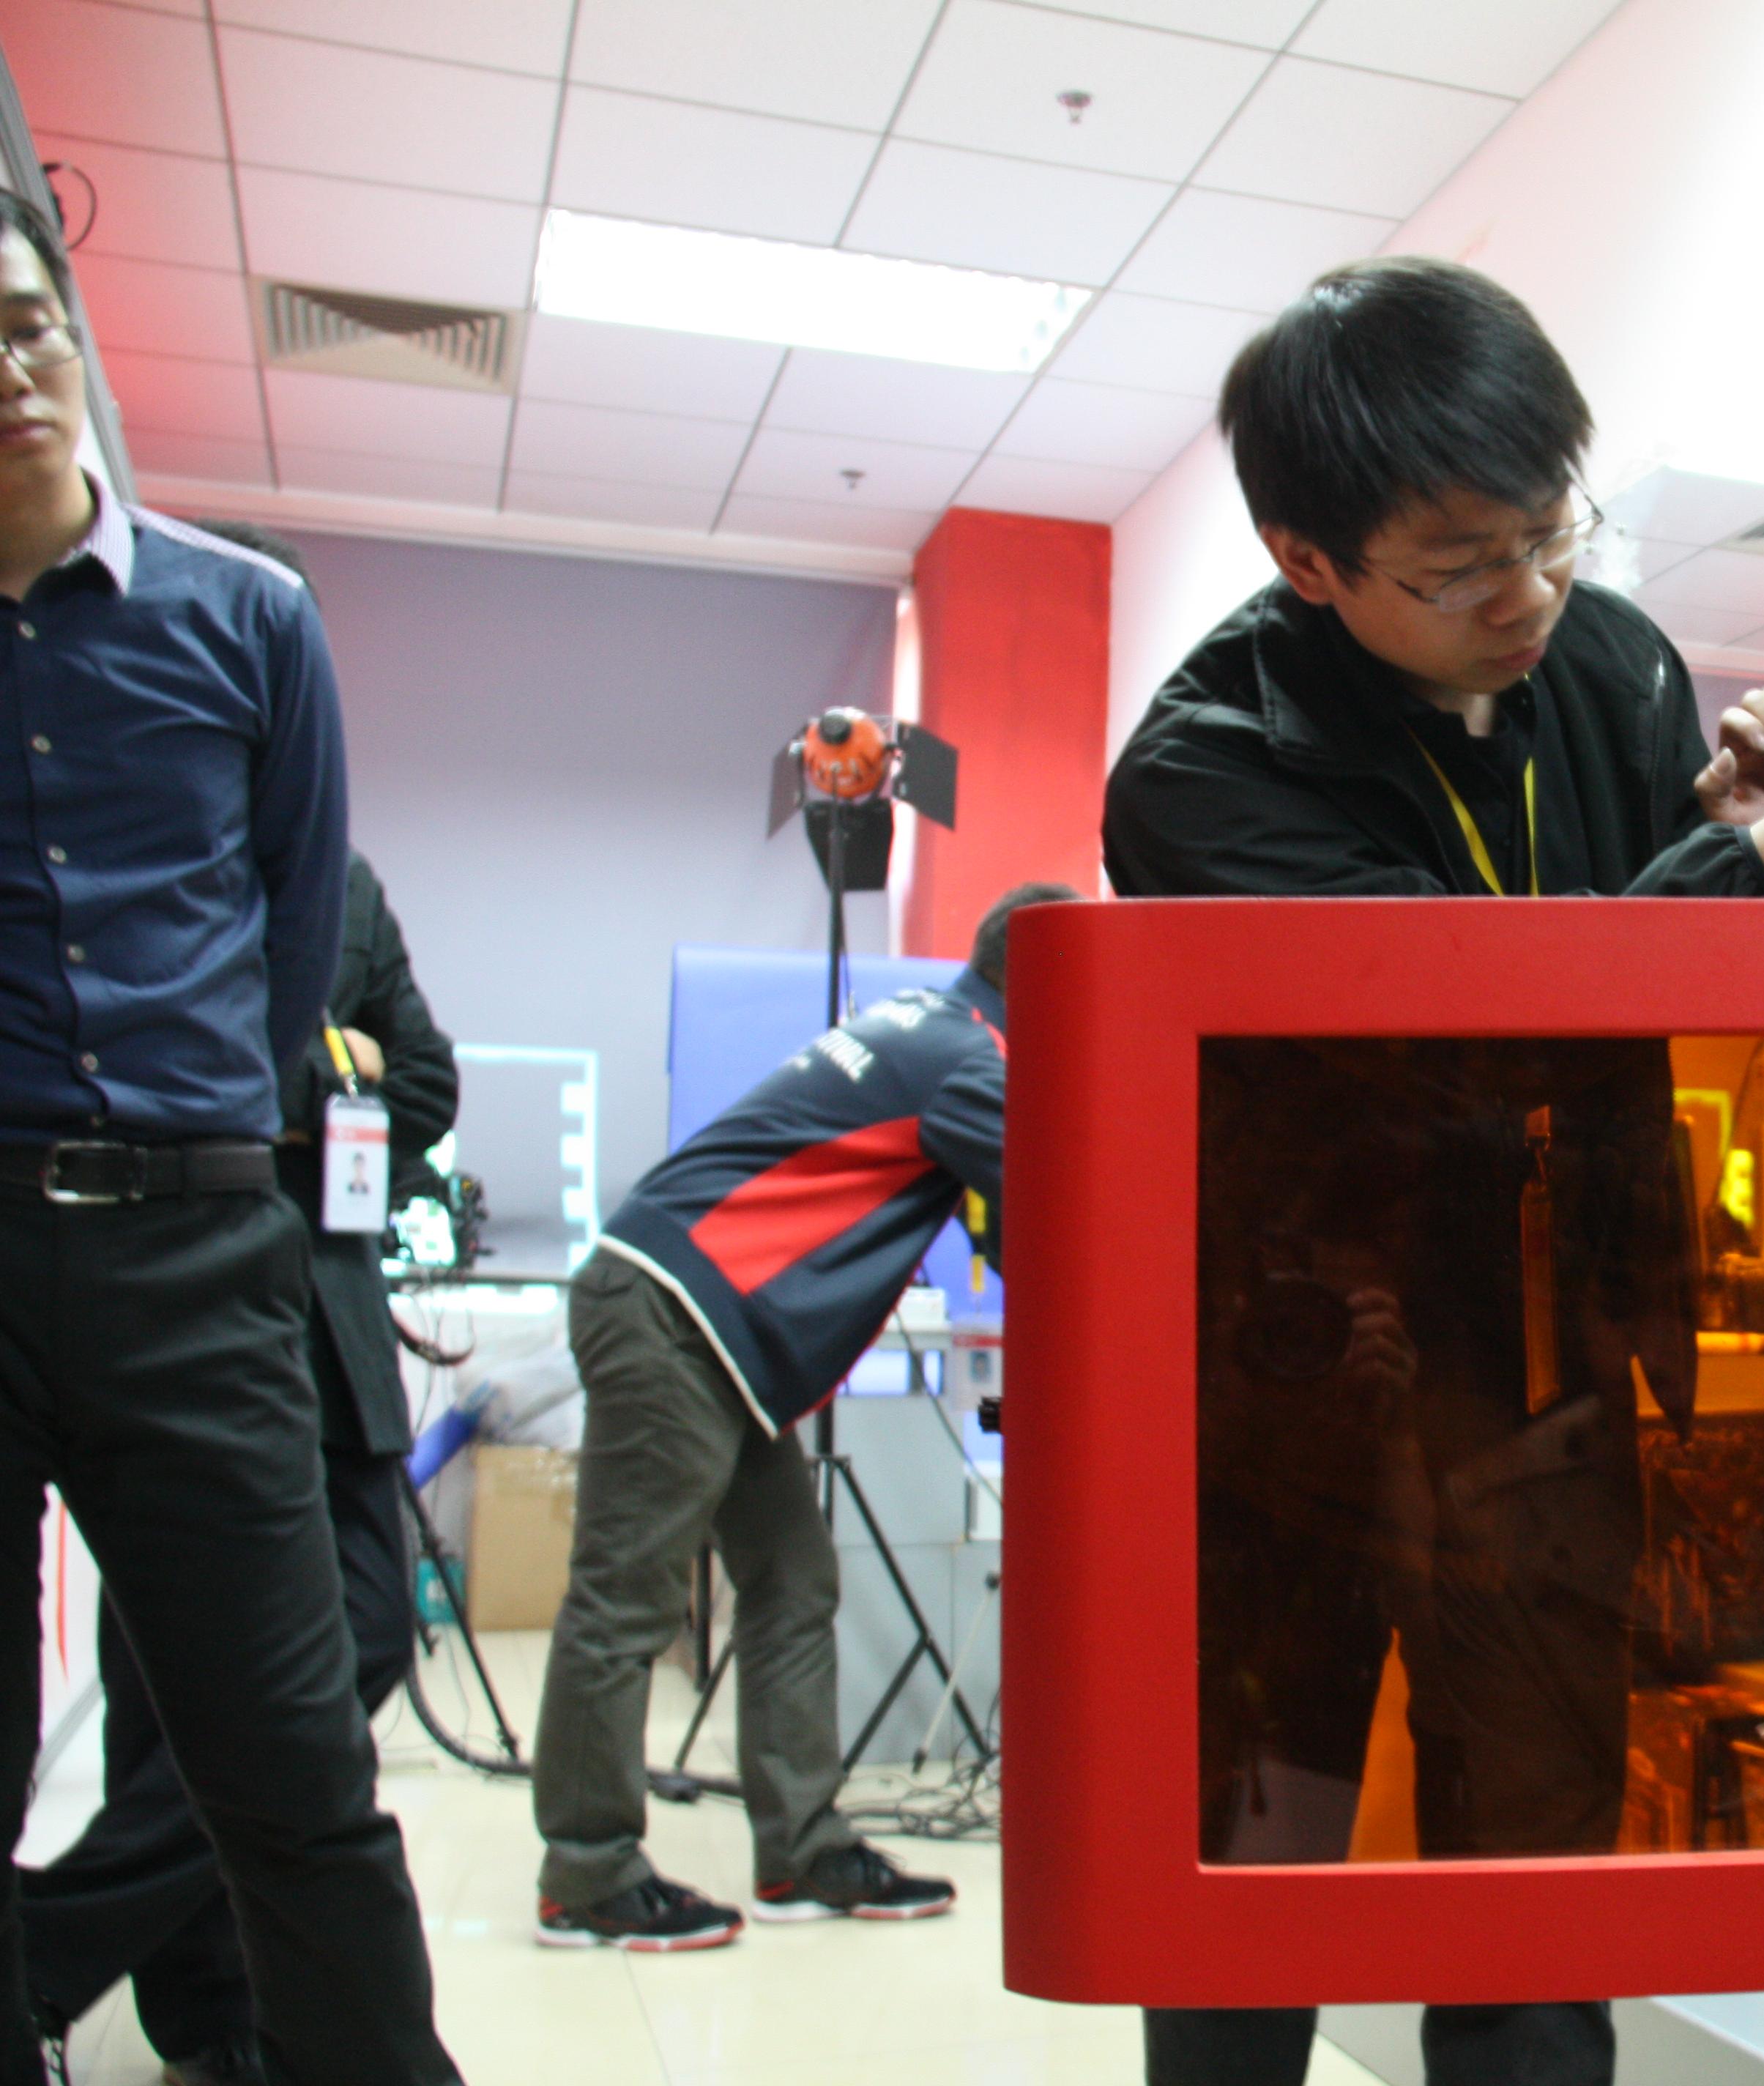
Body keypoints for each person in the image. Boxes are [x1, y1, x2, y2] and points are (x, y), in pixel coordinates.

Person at [1104, 256, 1764, 2086]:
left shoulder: (1613, 660)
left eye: (1551, 528)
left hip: (1554, 1387)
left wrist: (1733, 816)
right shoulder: (1199, 772)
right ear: (1308, 558)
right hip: (1298, 1410)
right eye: (1461, 564)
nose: (1529, 594)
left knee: (1537, 1894)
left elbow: (1642, 944)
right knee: (1252, 1879)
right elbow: (1451, 1030)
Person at [0, 192, 458, 2086]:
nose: (10, 372)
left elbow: (296, 931)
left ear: (72, 333)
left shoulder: (246, 618)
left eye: (26, 324)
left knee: (296, 1769)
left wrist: (208, 1141)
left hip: (196, 1259)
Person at [532, 881, 1071, 1950]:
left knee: (791, 1582)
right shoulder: (973, 1060)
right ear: (1053, 981)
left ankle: (803, 1853)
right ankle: (586, 1875)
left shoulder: (928, 1027)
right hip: (678, 1315)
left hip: (708, 1331)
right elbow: (1060, 1215)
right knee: (626, 1597)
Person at [21, 811, 457, 2081]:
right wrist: (324, 1067)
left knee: (367, 1632)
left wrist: (299, 1082)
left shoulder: (347, 887)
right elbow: (153, 1072)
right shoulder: (123, 856)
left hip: (325, 1310)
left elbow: (425, 1085)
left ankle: (49, 1944)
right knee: (165, 1685)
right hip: (165, 1308)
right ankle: (207, 2016)